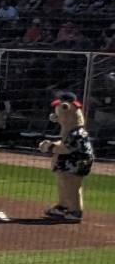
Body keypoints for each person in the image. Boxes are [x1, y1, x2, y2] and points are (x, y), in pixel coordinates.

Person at [39, 92, 91, 223]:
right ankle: (62, 206)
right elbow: (64, 144)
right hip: (70, 160)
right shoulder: (69, 131)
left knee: (71, 185)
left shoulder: (76, 133)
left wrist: (50, 147)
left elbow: (66, 149)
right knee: (62, 181)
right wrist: (52, 144)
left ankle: (75, 211)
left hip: (78, 161)